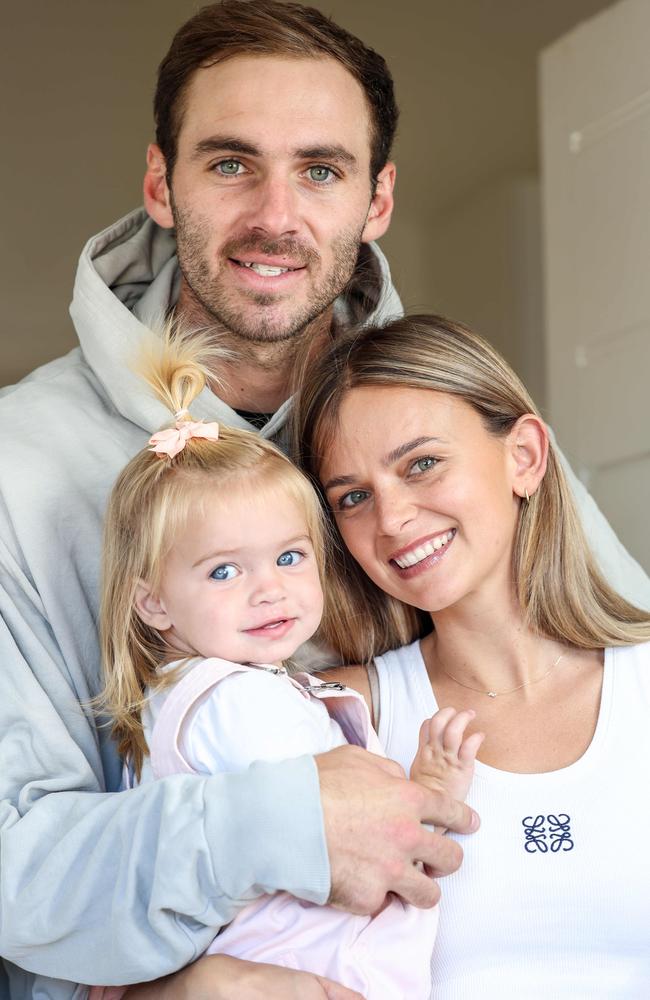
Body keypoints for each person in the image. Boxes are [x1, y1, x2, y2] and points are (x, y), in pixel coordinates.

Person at [0, 1, 647, 996]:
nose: (274, 215)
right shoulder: (19, 466)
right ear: (159, 184)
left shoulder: (451, 423)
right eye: (228, 163)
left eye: (320, 168)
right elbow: (16, 866)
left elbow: (594, 638)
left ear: (376, 198)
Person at [87, 330, 482, 1000]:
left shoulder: (216, 694)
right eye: (222, 570)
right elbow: (353, 825)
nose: (268, 588)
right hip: (311, 970)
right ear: (153, 603)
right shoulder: (237, 704)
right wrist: (428, 791)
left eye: (290, 557)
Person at [292, 313, 650, 997]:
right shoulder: (332, 716)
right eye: (354, 497)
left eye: (421, 464)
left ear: (525, 457)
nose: (391, 519)